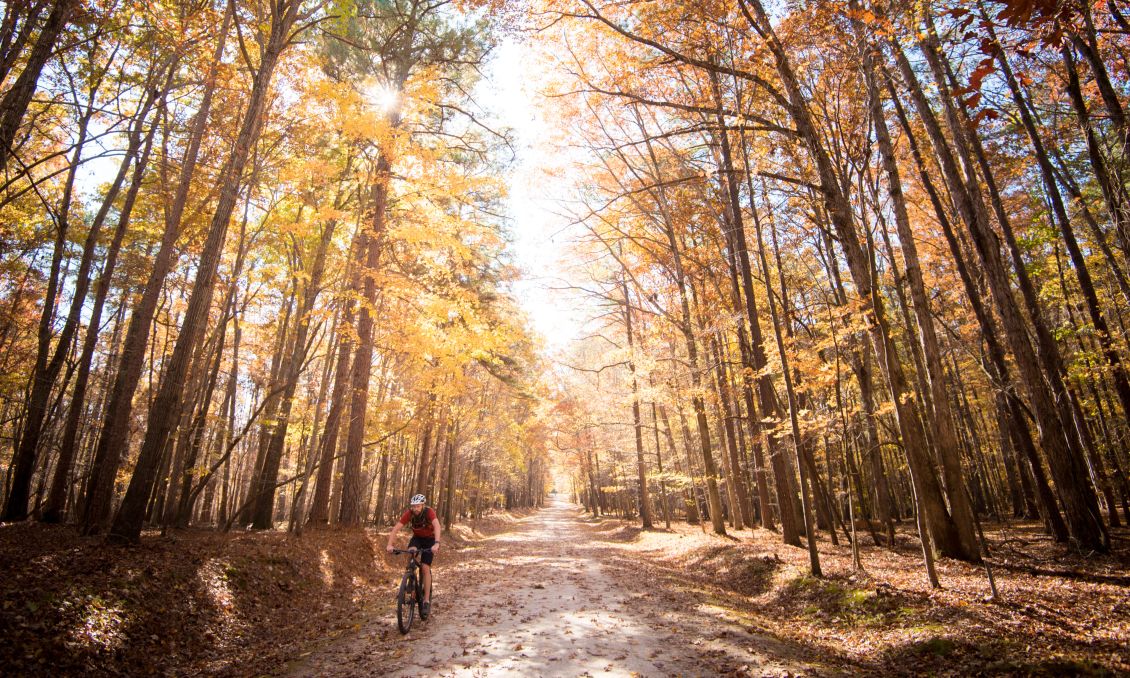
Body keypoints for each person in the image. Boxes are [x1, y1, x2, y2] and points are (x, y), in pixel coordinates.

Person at [386, 493, 442, 617]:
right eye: (414, 506)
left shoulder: (429, 512)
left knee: (425, 567)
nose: (415, 508)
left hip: (430, 540)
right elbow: (396, 529)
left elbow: (437, 526)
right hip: (417, 538)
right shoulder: (409, 514)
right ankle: (410, 579)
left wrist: (436, 543)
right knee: (411, 552)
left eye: (418, 506)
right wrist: (389, 545)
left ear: (423, 505)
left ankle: (426, 600)